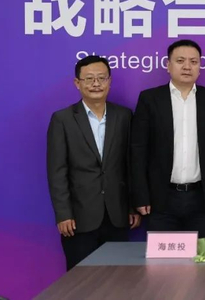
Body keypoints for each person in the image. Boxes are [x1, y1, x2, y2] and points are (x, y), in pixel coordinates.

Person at [47, 56, 140, 270]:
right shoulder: (63, 119)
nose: (96, 84)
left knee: (118, 279)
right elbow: (57, 171)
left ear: (109, 81)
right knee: (81, 280)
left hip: (117, 216)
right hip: (79, 219)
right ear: (77, 83)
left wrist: (131, 207)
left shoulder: (124, 116)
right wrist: (64, 214)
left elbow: (129, 166)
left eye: (101, 78)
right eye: (89, 79)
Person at [131, 40, 205, 236]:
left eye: (193, 61)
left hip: (202, 199)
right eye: (180, 61)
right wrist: (141, 196)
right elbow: (138, 151)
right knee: (162, 256)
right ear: (168, 65)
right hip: (161, 199)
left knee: (203, 255)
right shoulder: (150, 99)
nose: (187, 66)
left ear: (199, 67)